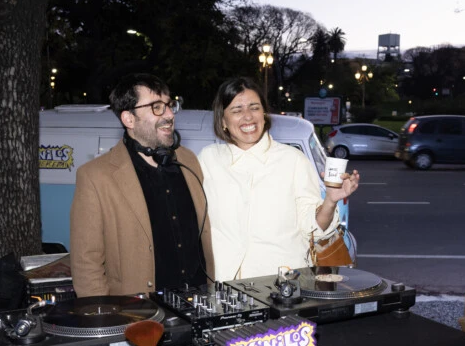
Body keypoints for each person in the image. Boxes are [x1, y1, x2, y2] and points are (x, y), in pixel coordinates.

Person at [198, 78, 359, 280]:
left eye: (254, 108)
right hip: (224, 284)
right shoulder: (208, 159)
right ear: (223, 120)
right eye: (237, 110)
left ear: (264, 114)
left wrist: (330, 201)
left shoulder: (293, 161)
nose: (248, 117)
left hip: (281, 285)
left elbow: (314, 231)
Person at [70, 74, 213, 296]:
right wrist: (104, 319)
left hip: (201, 301)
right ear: (129, 119)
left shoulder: (188, 160)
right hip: (141, 315)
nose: (169, 114)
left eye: (169, 105)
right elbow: (86, 263)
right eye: (156, 107)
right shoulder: (95, 177)